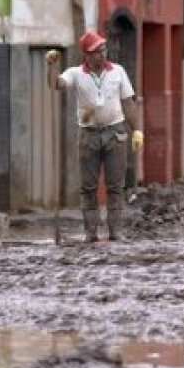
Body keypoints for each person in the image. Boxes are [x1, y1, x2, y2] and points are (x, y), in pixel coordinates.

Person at [45, 31, 143, 242]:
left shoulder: (118, 72)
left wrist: (137, 130)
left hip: (115, 132)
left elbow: (128, 102)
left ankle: (115, 231)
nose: (102, 54)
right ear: (87, 55)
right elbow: (55, 85)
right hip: (88, 135)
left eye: (103, 50)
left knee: (115, 186)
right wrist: (51, 66)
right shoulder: (76, 74)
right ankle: (91, 232)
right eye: (97, 51)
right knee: (88, 187)